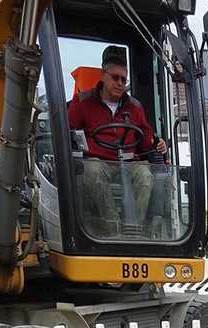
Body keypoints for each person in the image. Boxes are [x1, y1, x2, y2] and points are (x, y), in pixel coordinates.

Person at [67, 45, 167, 232]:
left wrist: (158, 143)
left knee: (145, 175)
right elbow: (68, 135)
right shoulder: (82, 103)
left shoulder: (135, 107)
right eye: (115, 78)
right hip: (97, 161)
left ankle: (134, 230)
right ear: (103, 75)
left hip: (127, 163)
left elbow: (146, 140)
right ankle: (112, 229)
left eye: (123, 79)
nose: (120, 83)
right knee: (93, 171)